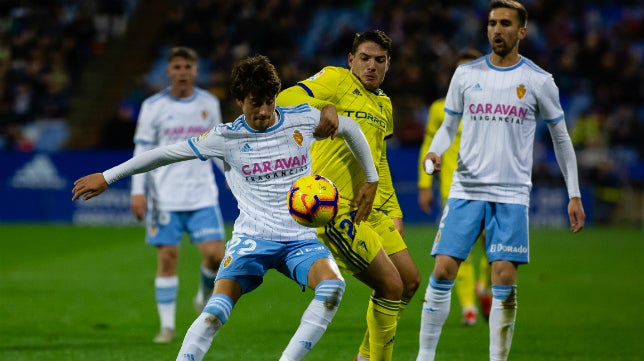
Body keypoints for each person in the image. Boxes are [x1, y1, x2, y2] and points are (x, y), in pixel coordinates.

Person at [72, 54, 379, 361]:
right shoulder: (225, 137)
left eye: (269, 102)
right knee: (214, 313)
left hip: (300, 238)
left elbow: (350, 128)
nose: (263, 111)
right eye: (254, 103)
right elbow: (164, 153)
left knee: (333, 288)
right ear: (238, 100)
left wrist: (371, 178)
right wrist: (107, 177)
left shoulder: (300, 118)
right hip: (252, 238)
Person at [416, 1, 586, 360]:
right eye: (492, 22)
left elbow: (561, 139)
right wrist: (435, 151)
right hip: (465, 188)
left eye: (505, 23)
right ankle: (424, 357)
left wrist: (574, 194)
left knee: (504, 278)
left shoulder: (539, 81)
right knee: (443, 268)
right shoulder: (465, 75)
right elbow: (447, 127)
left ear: (521, 31)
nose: (497, 29)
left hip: (511, 193)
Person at [277, 30, 420, 361]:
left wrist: (393, 210)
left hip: (371, 211)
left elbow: (379, 163)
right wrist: (322, 106)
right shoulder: (335, 79)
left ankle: (365, 356)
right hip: (334, 210)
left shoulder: (384, 104)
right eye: (365, 59)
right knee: (391, 287)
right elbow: (283, 99)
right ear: (351, 60)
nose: (371, 66)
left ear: (388, 64)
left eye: (379, 60)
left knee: (409, 282)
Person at [129, 46, 227, 343]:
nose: (182, 73)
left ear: (196, 71)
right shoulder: (153, 106)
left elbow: (219, 147)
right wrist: (137, 191)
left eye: (187, 67)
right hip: (164, 196)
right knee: (168, 258)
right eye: (177, 67)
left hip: (201, 194)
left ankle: (202, 294)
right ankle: (168, 327)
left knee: (216, 255)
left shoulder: (209, 103)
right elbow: (142, 150)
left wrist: (237, 180)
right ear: (168, 71)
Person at [417, 49, 492, 326]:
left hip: (488, 186)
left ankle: (483, 287)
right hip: (453, 189)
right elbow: (428, 146)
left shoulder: (491, 108)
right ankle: (469, 309)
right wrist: (425, 184)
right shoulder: (440, 109)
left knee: (491, 247)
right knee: (462, 250)